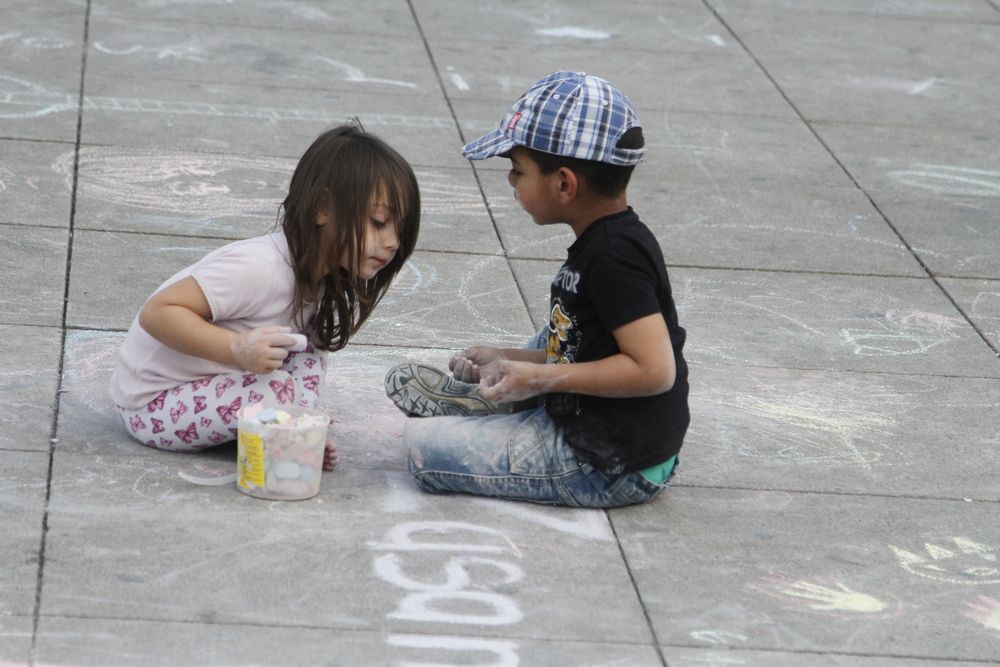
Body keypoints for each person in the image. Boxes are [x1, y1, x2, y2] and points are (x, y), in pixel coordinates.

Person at [385, 70, 689, 507]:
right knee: (559, 332)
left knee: (423, 449)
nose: (511, 181)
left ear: (564, 184)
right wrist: (510, 359)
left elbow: (655, 371)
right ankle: (503, 399)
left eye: (517, 170)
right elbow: (585, 347)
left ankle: (510, 405)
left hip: (607, 465)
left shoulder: (613, 258)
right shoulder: (606, 241)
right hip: (607, 436)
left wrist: (540, 377)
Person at [112, 122, 420, 470]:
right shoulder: (260, 267)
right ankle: (283, 437)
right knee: (277, 390)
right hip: (151, 405)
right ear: (322, 208)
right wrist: (235, 348)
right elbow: (157, 312)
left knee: (309, 354)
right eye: (379, 221)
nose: (393, 241)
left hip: (205, 386)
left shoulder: (318, 275)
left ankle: (285, 430)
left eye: (400, 226)